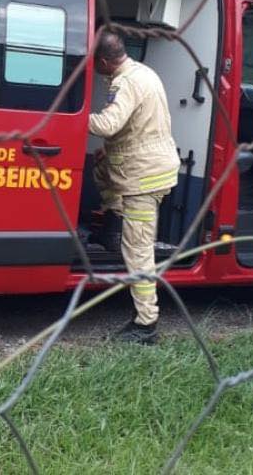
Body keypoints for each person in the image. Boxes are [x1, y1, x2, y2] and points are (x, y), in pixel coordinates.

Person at [88, 30, 181, 345]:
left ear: (102, 61)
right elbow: (135, 124)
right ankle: (114, 219)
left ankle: (146, 324)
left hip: (143, 177)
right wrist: (108, 149)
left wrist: (73, 118)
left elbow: (110, 123)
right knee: (101, 169)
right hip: (153, 164)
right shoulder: (143, 71)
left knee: (138, 250)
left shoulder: (125, 82)